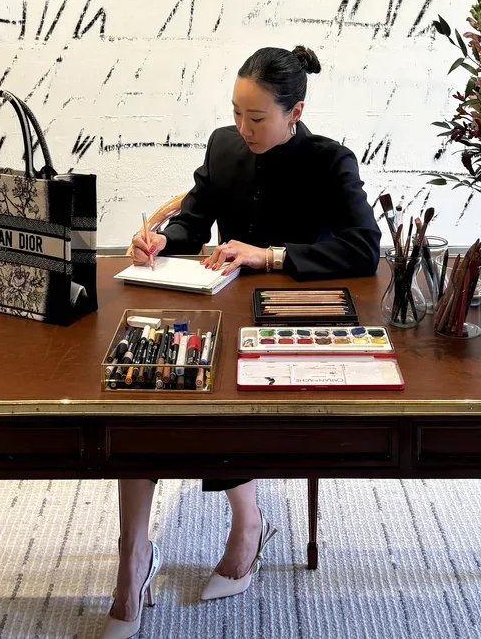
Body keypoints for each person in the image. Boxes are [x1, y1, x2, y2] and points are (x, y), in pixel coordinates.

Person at [102, 44, 381, 637]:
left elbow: (363, 246)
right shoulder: (224, 146)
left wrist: (272, 254)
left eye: (257, 118)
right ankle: (133, 557)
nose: (243, 129)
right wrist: (160, 241)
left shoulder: (332, 162)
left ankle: (248, 527)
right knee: (143, 387)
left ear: (294, 111)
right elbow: (193, 219)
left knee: (222, 396)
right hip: (221, 307)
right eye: (237, 113)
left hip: (293, 315)